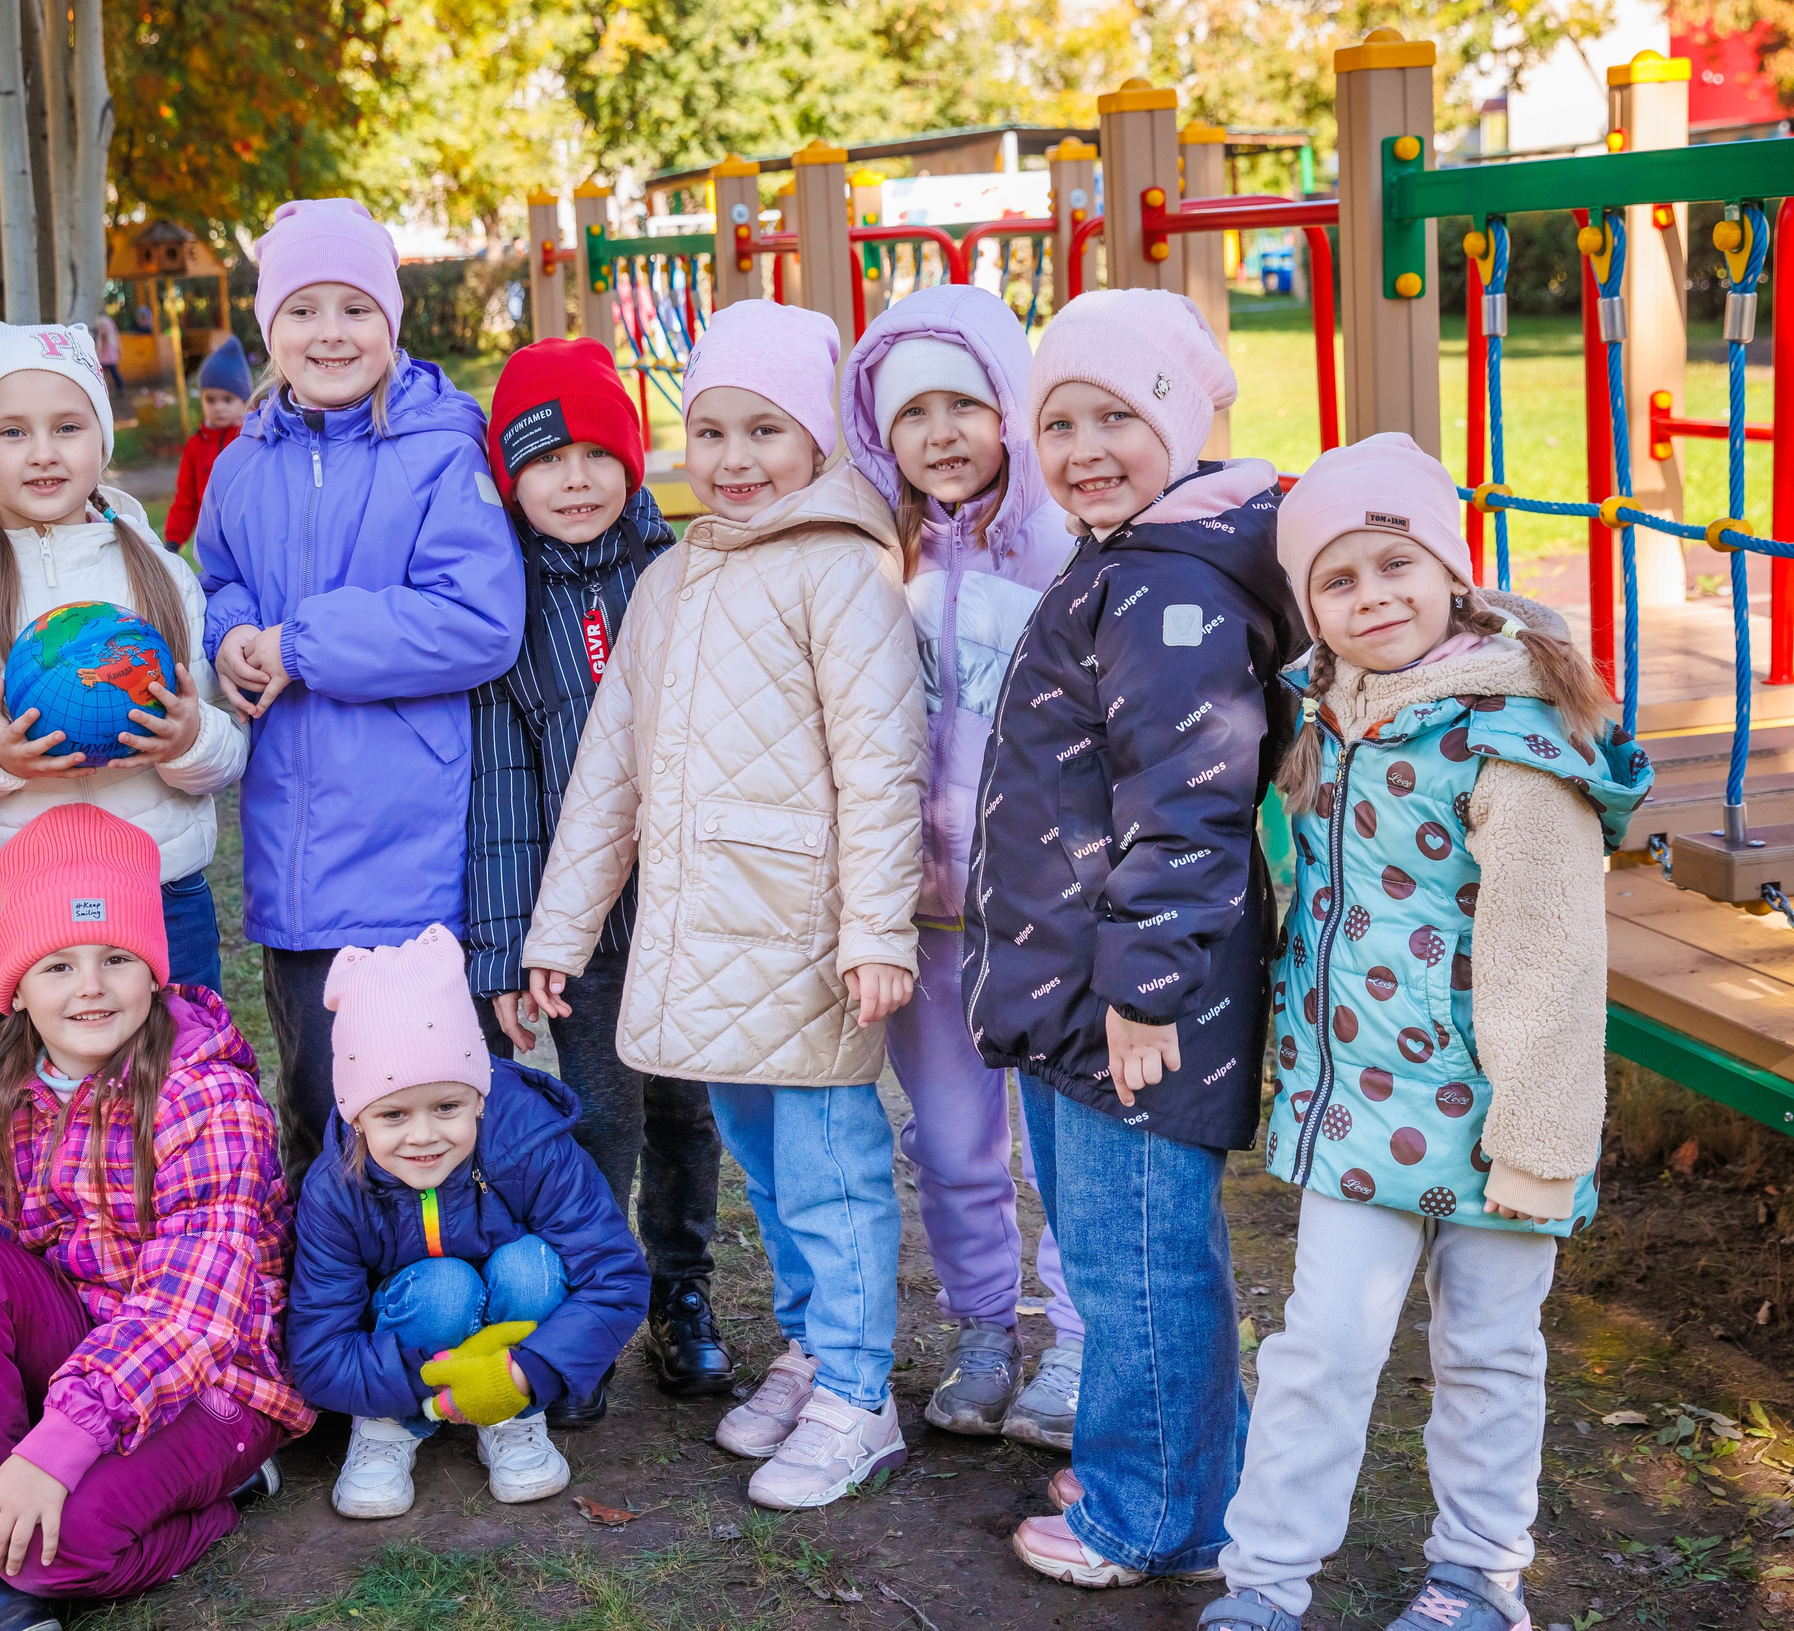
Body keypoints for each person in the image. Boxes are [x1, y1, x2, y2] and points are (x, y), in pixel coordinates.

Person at [1201, 434, 1649, 1631]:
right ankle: (1265, 1581)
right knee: (1319, 1349)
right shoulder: (1334, 716)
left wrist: (1543, 1139)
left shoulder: (1509, 739)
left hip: (1505, 1114)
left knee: (1490, 1352)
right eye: (1337, 582)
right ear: (1312, 610)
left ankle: (1475, 1577)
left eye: (1395, 563)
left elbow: (1549, 956)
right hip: (1365, 1112)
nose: (1372, 597)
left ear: (1449, 570)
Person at [521, 298, 926, 1510]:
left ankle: (862, 1394)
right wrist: (562, 928)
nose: (735, 462)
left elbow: (880, 763)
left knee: (832, 1165)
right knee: (759, 1159)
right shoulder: (670, 578)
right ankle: (809, 1345)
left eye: (766, 432)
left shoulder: (845, 570)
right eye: (710, 433)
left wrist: (875, 930)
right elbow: (611, 768)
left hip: (805, 937)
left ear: (817, 443)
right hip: (701, 934)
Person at [964, 289, 1305, 1588]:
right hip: (1078, 995)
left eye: (1120, 414)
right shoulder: (1130, 557)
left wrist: (1149, 988)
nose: (1088, 444)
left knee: (1139, 1268)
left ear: (1180, 421)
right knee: (1127, 1258)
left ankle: (1148, 1511)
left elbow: (1192, 799)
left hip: (1134, 1007)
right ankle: (1175, 1460)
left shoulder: (1172, 589)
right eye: (1060, 420)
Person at [0, 805, 309, 1631]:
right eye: (57, 964)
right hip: (84, 1367)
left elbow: (189, 1313)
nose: (90, 985)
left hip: (212, 1383)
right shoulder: (11, 1098)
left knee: (53, 1547)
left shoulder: (208, 1097)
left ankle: (218, 1500)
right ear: (16, 987)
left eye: (117, 958)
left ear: (155, 972)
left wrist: (58, 1449)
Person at [196, 198, 525, 1174]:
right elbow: (219, 580)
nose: (329, 332)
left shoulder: (436, 450)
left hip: (412, 859)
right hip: (294, 866)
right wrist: (230, 641)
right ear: (268, 328)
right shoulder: (242, 463)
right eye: (302, 309)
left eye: (354, 308)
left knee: (434, 1109)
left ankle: (454, 1308)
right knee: (318, 1112)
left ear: (392, 321)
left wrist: (301, 644)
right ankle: (332, 1314)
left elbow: (476, 621)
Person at [466, 336, 731, 1423]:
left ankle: (681, 1288)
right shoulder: (503, 604)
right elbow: (500, 796)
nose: (572, 482)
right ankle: (593, 1309)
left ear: (632, 462)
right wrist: (509, 947)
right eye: (543, 459)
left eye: (594, 456)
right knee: (597, 1122)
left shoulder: (685, 572)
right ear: (507, 477)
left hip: (698, 914)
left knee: (686, 1116)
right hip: (586, 933)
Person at [836, 286, 1083, 1448]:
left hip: (1045, 909)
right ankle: (986, 1326)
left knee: (1063, 1139)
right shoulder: (871, 550)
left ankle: (1082, 1342)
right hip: (925, 911)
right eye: (911, 414)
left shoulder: (1063, 542)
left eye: (964, 405)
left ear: (1009, 409)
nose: (939, 434)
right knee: (947, 1138)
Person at [0, 315, 247, 1015]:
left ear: (103, 439)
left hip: (160, 896)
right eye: (11, 431)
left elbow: (226, 748)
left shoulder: (156, 572)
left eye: (68, 427)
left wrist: (188, 741)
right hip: (14, 909)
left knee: (178, 1088)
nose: (43, 452)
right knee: (38, 1115)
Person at [284, 923, 649, 1519]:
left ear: (480, 1096)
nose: (424, 1135)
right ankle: (386, 1426)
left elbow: (616, 1276)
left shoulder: (533, 1146)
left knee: (532, 1264)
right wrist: (431, 1377)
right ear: (356, 1117)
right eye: (393, 1114)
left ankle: (511, 1416)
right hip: (410, 1342)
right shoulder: (337, 1189)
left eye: (448, 1107)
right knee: (444, 1283)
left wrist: (523, 1375)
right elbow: (317, 1350)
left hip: (514, 1343)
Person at [163, 336, 251, 551]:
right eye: (210, 399)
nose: (218, 407)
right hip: (212, 545)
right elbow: (186, 499)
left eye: (227, 399)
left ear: (245, 400)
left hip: (250, 540)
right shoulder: (195, 446)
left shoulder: (253, 440)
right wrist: (173, 541)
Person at [91, 311, 123, 398]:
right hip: (111, 350)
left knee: (104, 372)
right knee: (112, 371)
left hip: (106, 351)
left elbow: (102, 336)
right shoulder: (110, 322)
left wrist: (98, 350)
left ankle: (107, 389)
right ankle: (119, 387)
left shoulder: (102, 322)